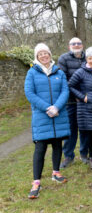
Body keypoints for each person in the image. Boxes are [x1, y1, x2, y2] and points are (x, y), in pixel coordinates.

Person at [25, 43, 71, 199]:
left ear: (50, 54)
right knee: (40, 148)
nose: (44, 56)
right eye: (40, 54)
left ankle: (56, 173)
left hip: (58, 114)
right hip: (42, 116)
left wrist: (57, 107)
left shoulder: (59, 72)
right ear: (37, 57)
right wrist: (47, 108)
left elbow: (65, 90)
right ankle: (36, 182)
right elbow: (29, 93)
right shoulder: (32, 72)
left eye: (46, 53)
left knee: (57, 145)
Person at [58, 37, 89, 168]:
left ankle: (84, 154)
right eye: (73, 44)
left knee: (85, 128)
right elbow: (63, 80)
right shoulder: (63, 59)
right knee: (70, 130)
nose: (76, 45)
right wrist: (76, 95)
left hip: (86, 100)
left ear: (82, 45)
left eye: (79, 43)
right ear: (69, 46)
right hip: (70, 101)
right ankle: (68, 156)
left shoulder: (88, 57)